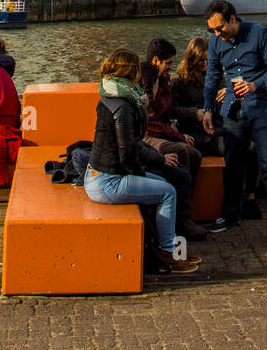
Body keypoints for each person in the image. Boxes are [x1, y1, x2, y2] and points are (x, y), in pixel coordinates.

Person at [84, 47, 201, 275]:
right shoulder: (124, 107)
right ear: (132, 72)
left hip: (102, 174)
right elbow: (130, 149)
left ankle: (167, 248)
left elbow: (130, 146)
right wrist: (159, 158)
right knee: (167, 192)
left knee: (162, 181)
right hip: (109, 181)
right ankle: (169, 252)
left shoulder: (110, 95)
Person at [202, 0, 267, 247]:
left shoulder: (259, 34)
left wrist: (256, 84)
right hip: (234, 109)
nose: (217, 34)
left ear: (232, 19)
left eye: (220, 28)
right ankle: (230, 215)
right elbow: (213, 74)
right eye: (212, 30)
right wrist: (208, 109)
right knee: (233, 164)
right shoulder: (215, 42)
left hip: (264, 106)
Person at [140, 37, 206, 241]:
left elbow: (168, 111)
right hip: (149, 135)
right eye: (168, 63)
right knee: (181, 151)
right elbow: (151, 122)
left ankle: (185, 209)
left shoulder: (166, 80)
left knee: (194, 154)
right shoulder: (147, 82)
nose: (171, 67)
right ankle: (182, 219)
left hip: (163, 132)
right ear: (155, 61)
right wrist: (178, 135)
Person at [171, 37, 223, 155]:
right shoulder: (179, 79)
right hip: (191, 126)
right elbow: (172, 109)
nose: (205, 64)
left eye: (207, 60)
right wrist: (194, 113)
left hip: (215, 123)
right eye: (200, 61)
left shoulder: (216, 74)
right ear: (192, 59)